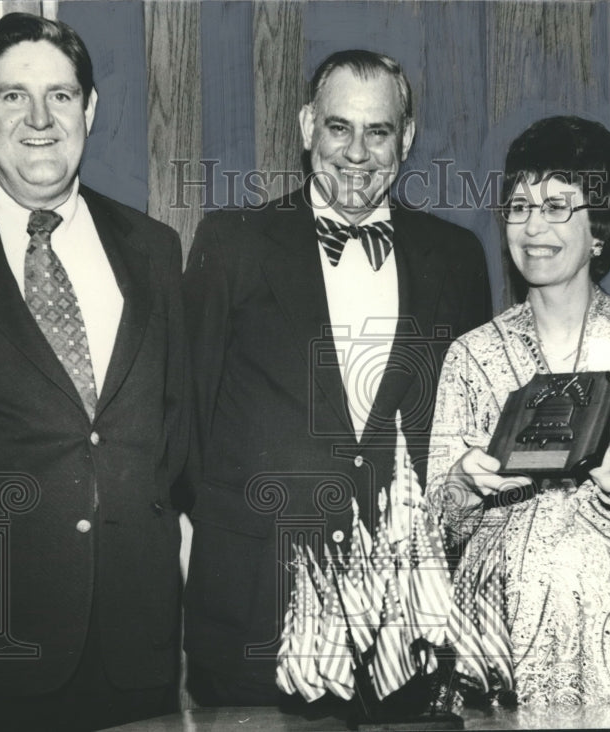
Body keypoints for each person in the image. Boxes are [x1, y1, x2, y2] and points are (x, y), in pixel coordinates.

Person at [0, 13, 188, 731]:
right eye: (13, 96)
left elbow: (174, 441)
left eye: (60, 96)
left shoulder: (153, 248)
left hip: (132, 661)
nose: (39, 119)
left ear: (89, 108)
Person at [182, 49, 491, 706]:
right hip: (256, 615)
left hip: (402, 628)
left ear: (405, 138)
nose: (357, 152)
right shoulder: (231, 242)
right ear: (305, 128)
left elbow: (463, 431)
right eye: (338, 128)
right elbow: (187, 423)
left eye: (377, 131)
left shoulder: (456, 258)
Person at [427, 116, 610, 707]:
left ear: (599, 228)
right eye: (520, 206)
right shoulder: (471, 355)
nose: (533, 227)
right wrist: (464, 486)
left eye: (558, 206)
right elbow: (433, 526)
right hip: (495, 638)